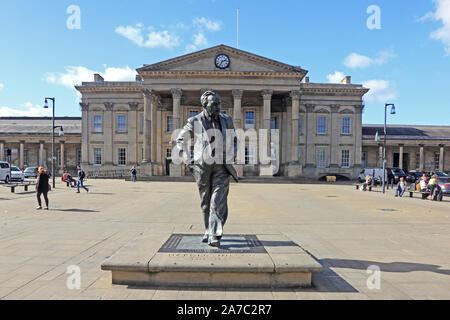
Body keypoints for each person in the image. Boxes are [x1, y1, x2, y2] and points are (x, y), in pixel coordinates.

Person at [176, 90, 238, 247]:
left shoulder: (227, 120)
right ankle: (208, 230)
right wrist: (188, 160)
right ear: (205, 104)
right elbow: (181, 139)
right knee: (205, 202)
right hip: (202, 167)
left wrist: (231, 155)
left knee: (217, 201)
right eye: (214, 104)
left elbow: (234, 140)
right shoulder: (194, 121)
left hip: (222, 166)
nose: (218, 107)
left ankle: (215, 235)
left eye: (219, 103)